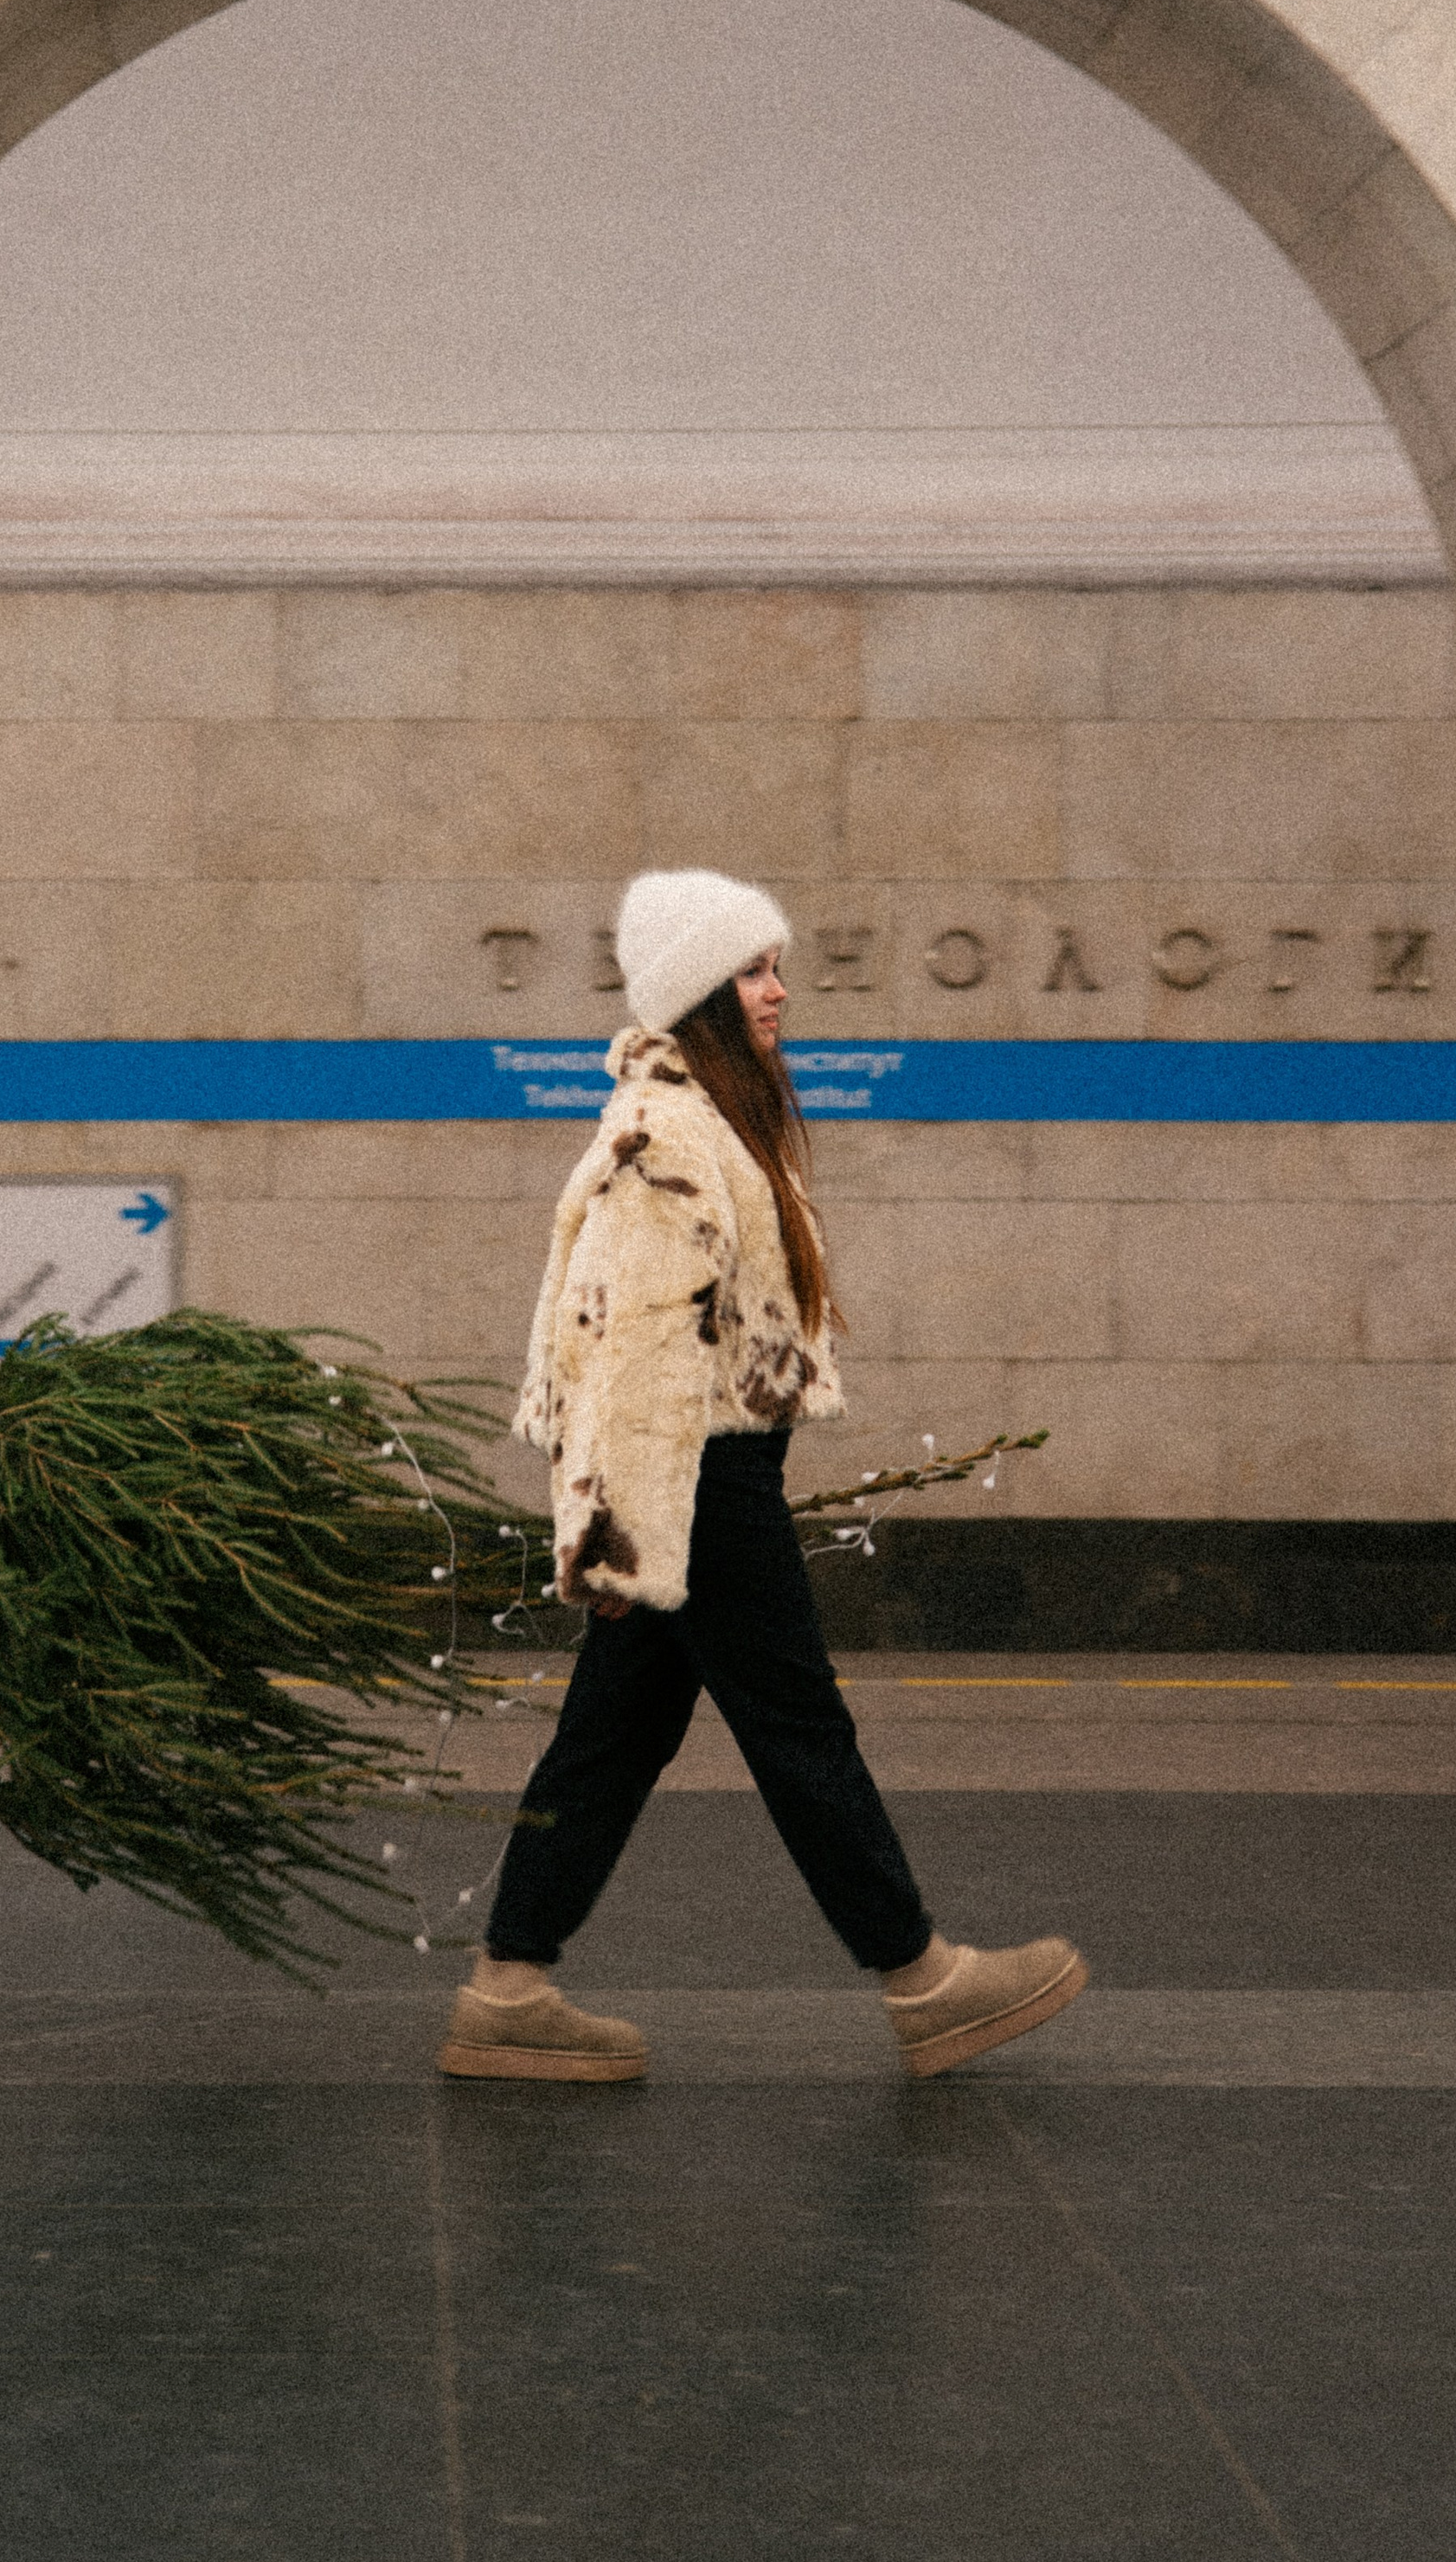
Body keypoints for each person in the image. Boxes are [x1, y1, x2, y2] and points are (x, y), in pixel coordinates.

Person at [439, 867, 1087, 2085]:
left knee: (614, 1740)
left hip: (695, 1479)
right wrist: (621, 1537)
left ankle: (509, 1987)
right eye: (751, 970)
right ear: (698, 992)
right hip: (698, 1481)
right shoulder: (666, 1138)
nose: (779, 991)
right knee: (798, 1728)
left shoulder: (705, 1119)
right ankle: (922, 1977)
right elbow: (631, 1355)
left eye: (775, 967)